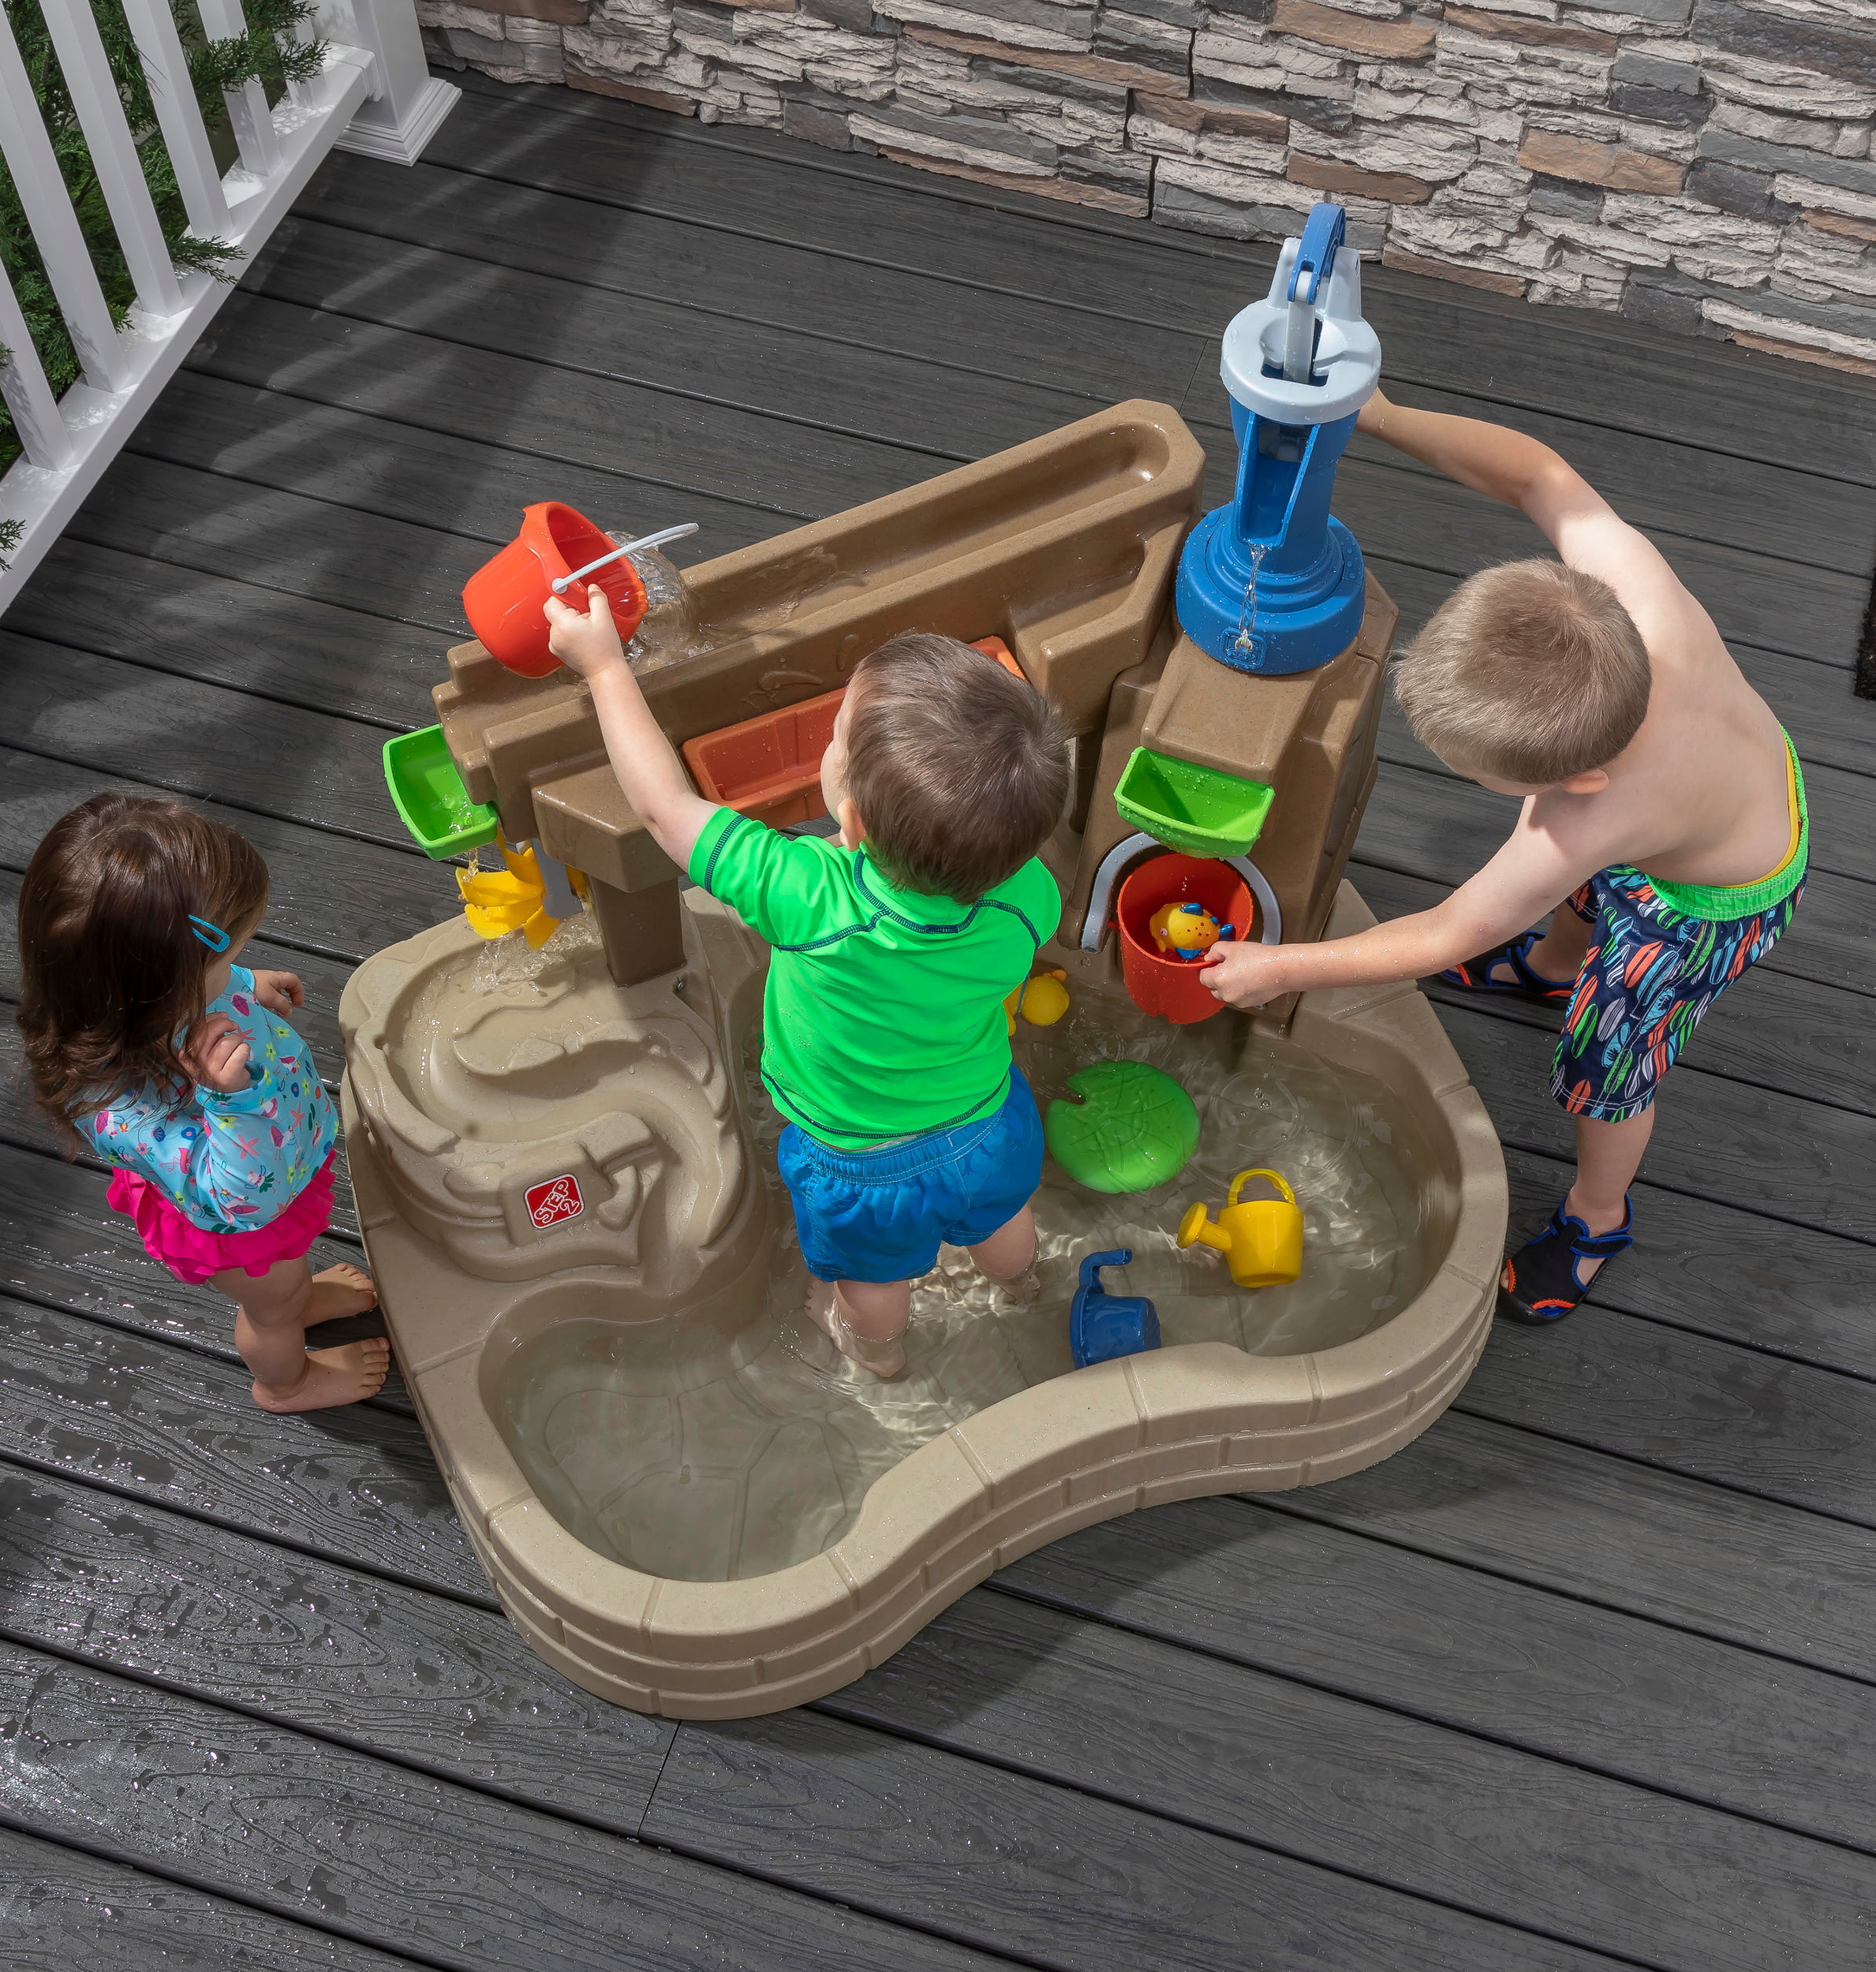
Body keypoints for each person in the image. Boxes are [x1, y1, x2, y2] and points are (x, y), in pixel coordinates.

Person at [1199, 393, 1807, 1326]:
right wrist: (1379, 414)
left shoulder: (1584, 825)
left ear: (1582, 780)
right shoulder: (1631, 594)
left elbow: (1449, 930)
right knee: (1583, 900)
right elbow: (1536, 473)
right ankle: (1552, 966)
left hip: (1713, 903)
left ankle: (1598, 1217)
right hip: (1742, 784)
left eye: (1481, 778)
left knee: (1608, 1067)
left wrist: (1278, 968)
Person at [544, 595, 1068, 1377]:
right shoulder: (1029, 895)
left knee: (872, 1281)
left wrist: (604, 668)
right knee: (1000, 1221)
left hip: (860, 1165)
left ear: (850, 824)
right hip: (987, 1126)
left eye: (833, 739)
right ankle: (1020, 1284)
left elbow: (662, 808)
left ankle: (879, 1355)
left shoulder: (808, 894)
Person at [17, 794, 386, 1410]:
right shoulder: (125, 1107)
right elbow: (238, 1197)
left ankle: (301, 1297)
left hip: (283, 1162)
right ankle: (285, 1383)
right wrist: (229, 1100)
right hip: (242, 1224)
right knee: (270, 1311)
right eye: (229, 958)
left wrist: (244, 983)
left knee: (289, 1283)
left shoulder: (149, 996)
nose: (236, 967)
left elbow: (198, 976)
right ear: (165, 989)